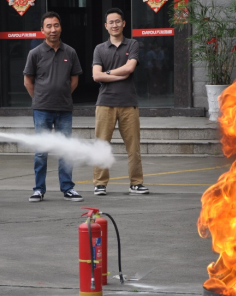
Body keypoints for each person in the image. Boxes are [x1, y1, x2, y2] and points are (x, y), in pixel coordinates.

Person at [23, 11, 83, 203]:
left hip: (64, 109)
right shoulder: (35, 53)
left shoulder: (70, 52)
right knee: (41, 151)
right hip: (42, 110)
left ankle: (67, 188)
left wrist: (63, 95)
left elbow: (74, 79)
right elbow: (27, 81)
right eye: (48, 26)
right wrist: (40, 99)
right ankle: (39, 189)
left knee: (65, 149)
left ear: (61, 27)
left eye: (56, 25)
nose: (53, 29)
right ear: (42, 30)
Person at [91, 8, 148, 196]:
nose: (114, 25)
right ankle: (100, 183)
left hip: (128, 103)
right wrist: (118, 74)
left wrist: (106, 74)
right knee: (101, 145)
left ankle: (136, 183)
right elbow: (95, 75)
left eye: (118, 21)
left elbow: (130, 68)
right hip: (105, 103)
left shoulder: (132, 44)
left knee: (133, 147)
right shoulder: (99, 49)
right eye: (111, 22)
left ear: (123, 23)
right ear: (106, 26)